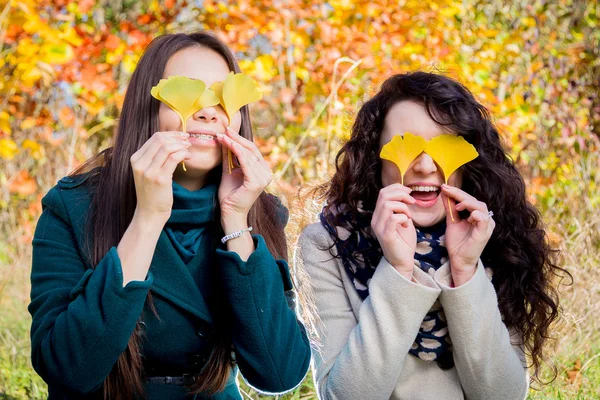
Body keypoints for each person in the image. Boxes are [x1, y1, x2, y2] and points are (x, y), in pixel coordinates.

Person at [29, 31, 310, 400]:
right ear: (148, 108)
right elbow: (67, 368)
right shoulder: (73, 206)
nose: (209, 112)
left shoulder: (261, 212)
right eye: (187, 93)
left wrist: (235, 220)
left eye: (225, 97)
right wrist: (146, 219)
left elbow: (279, 372)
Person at [297, 72, 566, 400]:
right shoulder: (327, 245)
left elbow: (503, 395)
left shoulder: (495, 239)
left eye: (444, 146)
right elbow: (344, 396)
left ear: (468, 161)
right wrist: (398, 270)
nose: (425, 166)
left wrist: (466, 271)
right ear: (375, 159)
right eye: (405, 145)